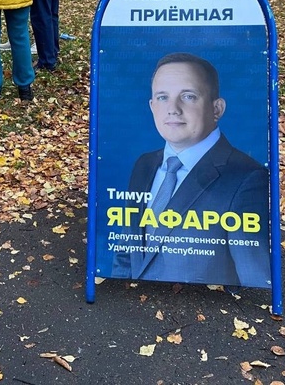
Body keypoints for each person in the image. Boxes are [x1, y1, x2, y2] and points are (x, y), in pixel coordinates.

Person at [111, 53, 271, 287]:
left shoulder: (246, 178)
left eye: (188, 96)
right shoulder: (144, 165)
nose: (173, 109)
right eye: (163, 97)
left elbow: (254, 280)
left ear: (217, 109)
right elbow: (129, 247)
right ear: (152, 106)